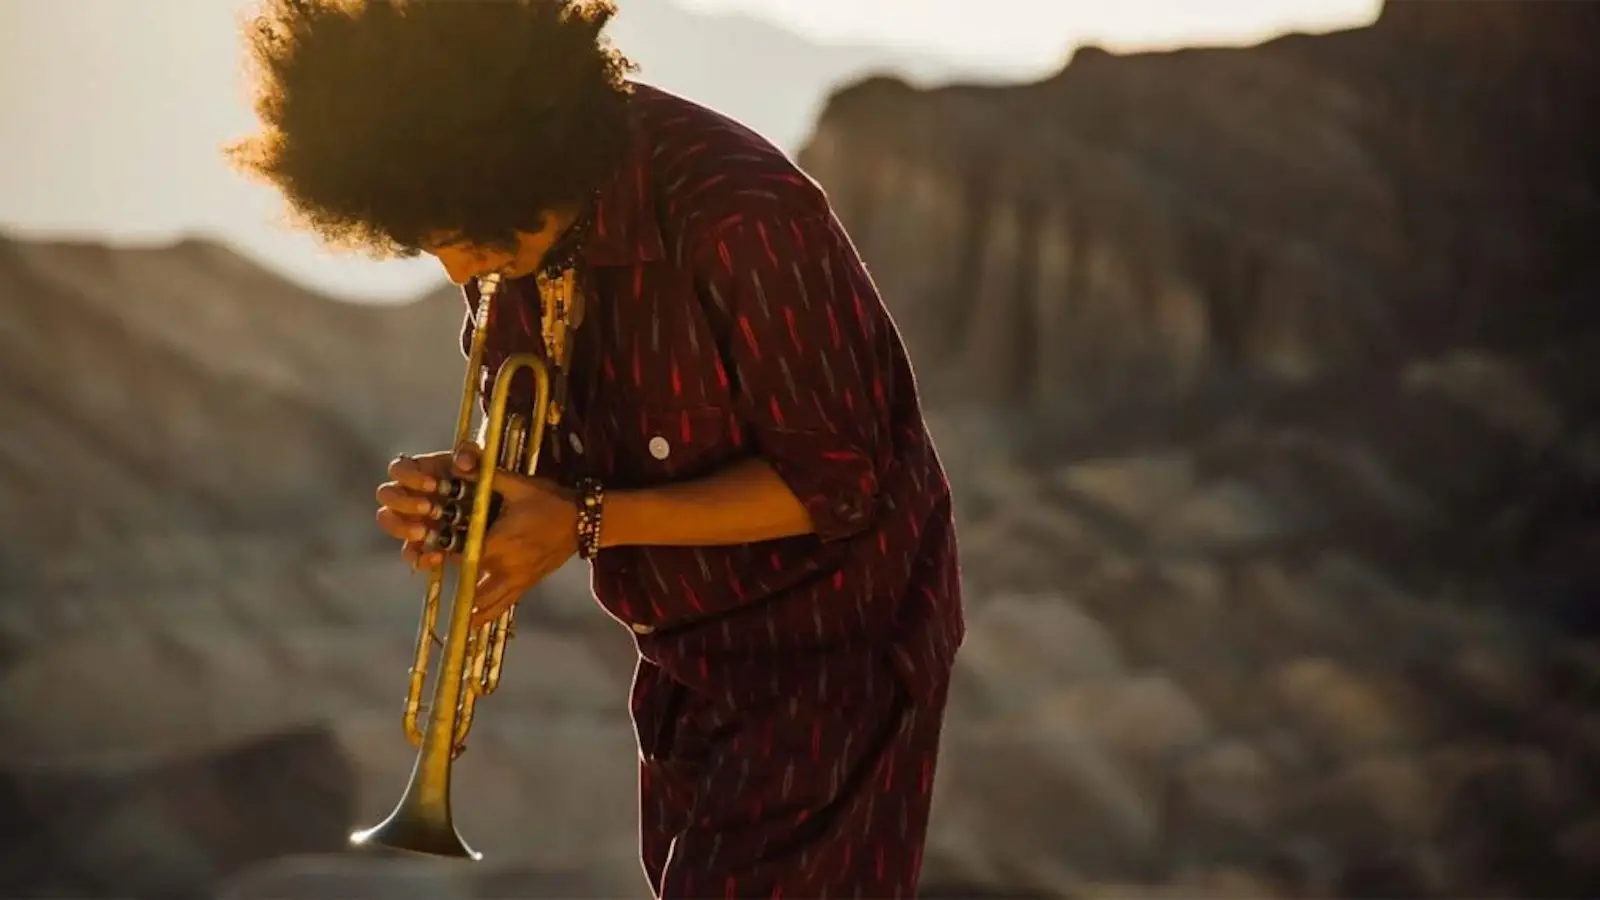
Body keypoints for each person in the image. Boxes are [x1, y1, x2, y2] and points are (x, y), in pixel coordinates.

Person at [227, 1, 964, 896]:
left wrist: (580, 522)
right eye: (423, 242)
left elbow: (841, 486)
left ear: (508, 159)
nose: (458, 273)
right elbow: (549, 450)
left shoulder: (739, 216)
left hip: (833, 655)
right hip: (686, 660)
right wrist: (478, 508)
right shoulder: (506, 232)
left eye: (455, 235)